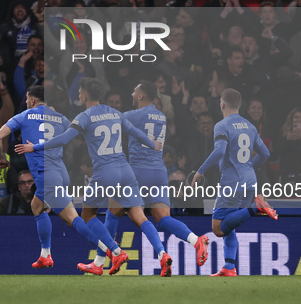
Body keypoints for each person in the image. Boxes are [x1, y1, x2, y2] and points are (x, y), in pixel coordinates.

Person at [16, 79, 173, 276]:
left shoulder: (84, 116)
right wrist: (153, 145)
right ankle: (162, 254)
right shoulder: (115, 113)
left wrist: (34, 147)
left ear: (84, 95)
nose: (79, 95)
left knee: (87, 215)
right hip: (126, 171)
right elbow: (136, 132)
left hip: (105, 173)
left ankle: (115, 252)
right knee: (139, 215)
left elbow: (63, 139)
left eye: (80, 92)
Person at [0, 85, 130, 273]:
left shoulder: (24, 116)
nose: (26, 102)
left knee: (74, 219)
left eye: (27, 98)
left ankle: (114, 251)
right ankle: (45, 255)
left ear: (32, 101)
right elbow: (78, 133)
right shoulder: (60, 118)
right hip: (60, 173)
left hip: (46, 176)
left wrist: (0, 158)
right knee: (36, 206)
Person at [79, 81, 210, 275]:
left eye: (134, 91)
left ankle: (100, 262)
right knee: (163, 218)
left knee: (112, 213)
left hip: (138, 171)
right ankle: (195, 240)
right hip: (159, 172)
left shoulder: (131, 115)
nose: (132, 93)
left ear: (141, 96)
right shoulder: (162, 116)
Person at [191, 88, 276, 277]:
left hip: (231, 183)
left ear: (222, 104)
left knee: (219, 228)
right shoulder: (250, 126)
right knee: (230, 226)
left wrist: (200, 171)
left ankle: (257, 208)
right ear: (239, 105)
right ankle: (229, 267)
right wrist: (249, 167)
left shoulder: (222, 125)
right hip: (249, 181)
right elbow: (265, 154)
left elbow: (220, 152)